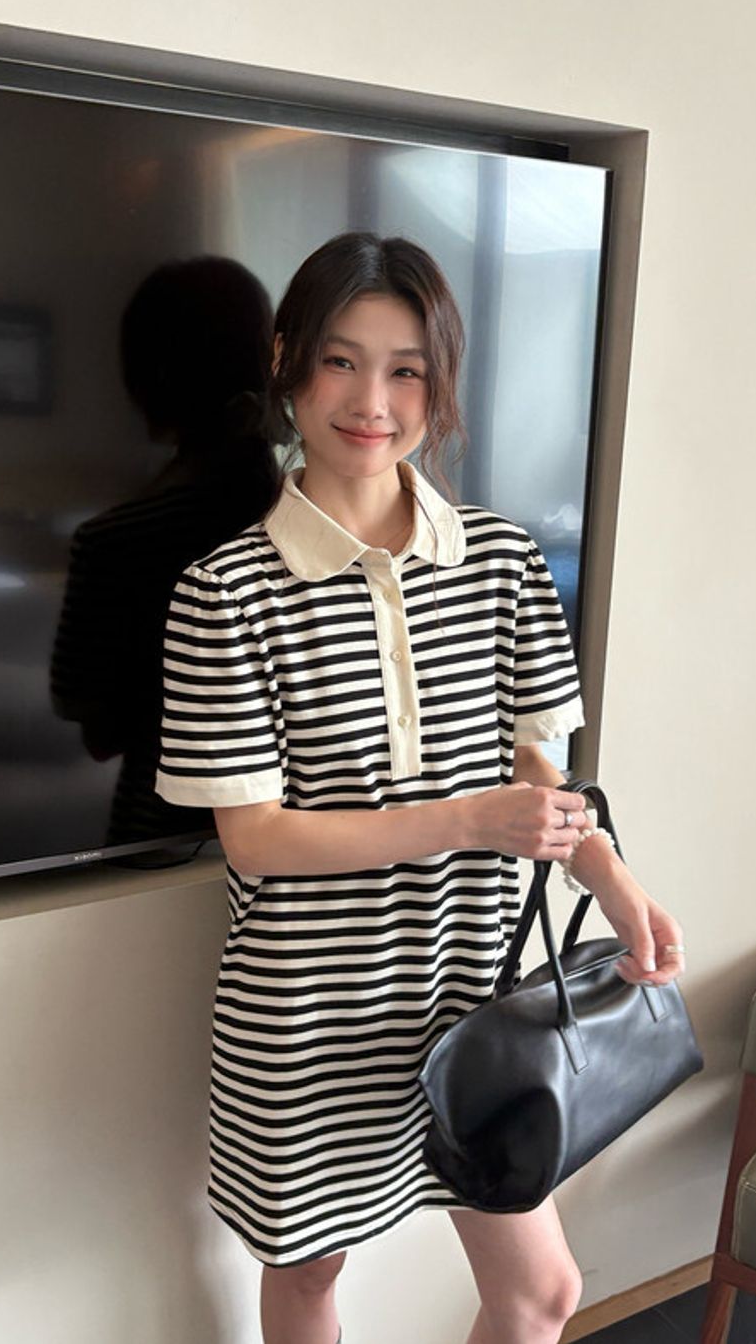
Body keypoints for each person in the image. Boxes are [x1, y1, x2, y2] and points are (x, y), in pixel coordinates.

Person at [156, 232, 685, 1344]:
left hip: (470, 997)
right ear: (288, 361)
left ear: (438, 384)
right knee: (310, 1274)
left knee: (542, 1291)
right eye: (341, 361)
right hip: (310, 1011)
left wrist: (611, 877)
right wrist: (467, 819)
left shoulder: (504, 559)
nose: (372, 402)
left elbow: (536, 770)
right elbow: (254, 838)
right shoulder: (224, 592)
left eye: (405, 370)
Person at [51, 256, 285, 852]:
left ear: (145, 378)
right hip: (308, 837)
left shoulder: (113, 540)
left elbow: (97, 733)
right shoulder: (317, 520)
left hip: (159, 837)